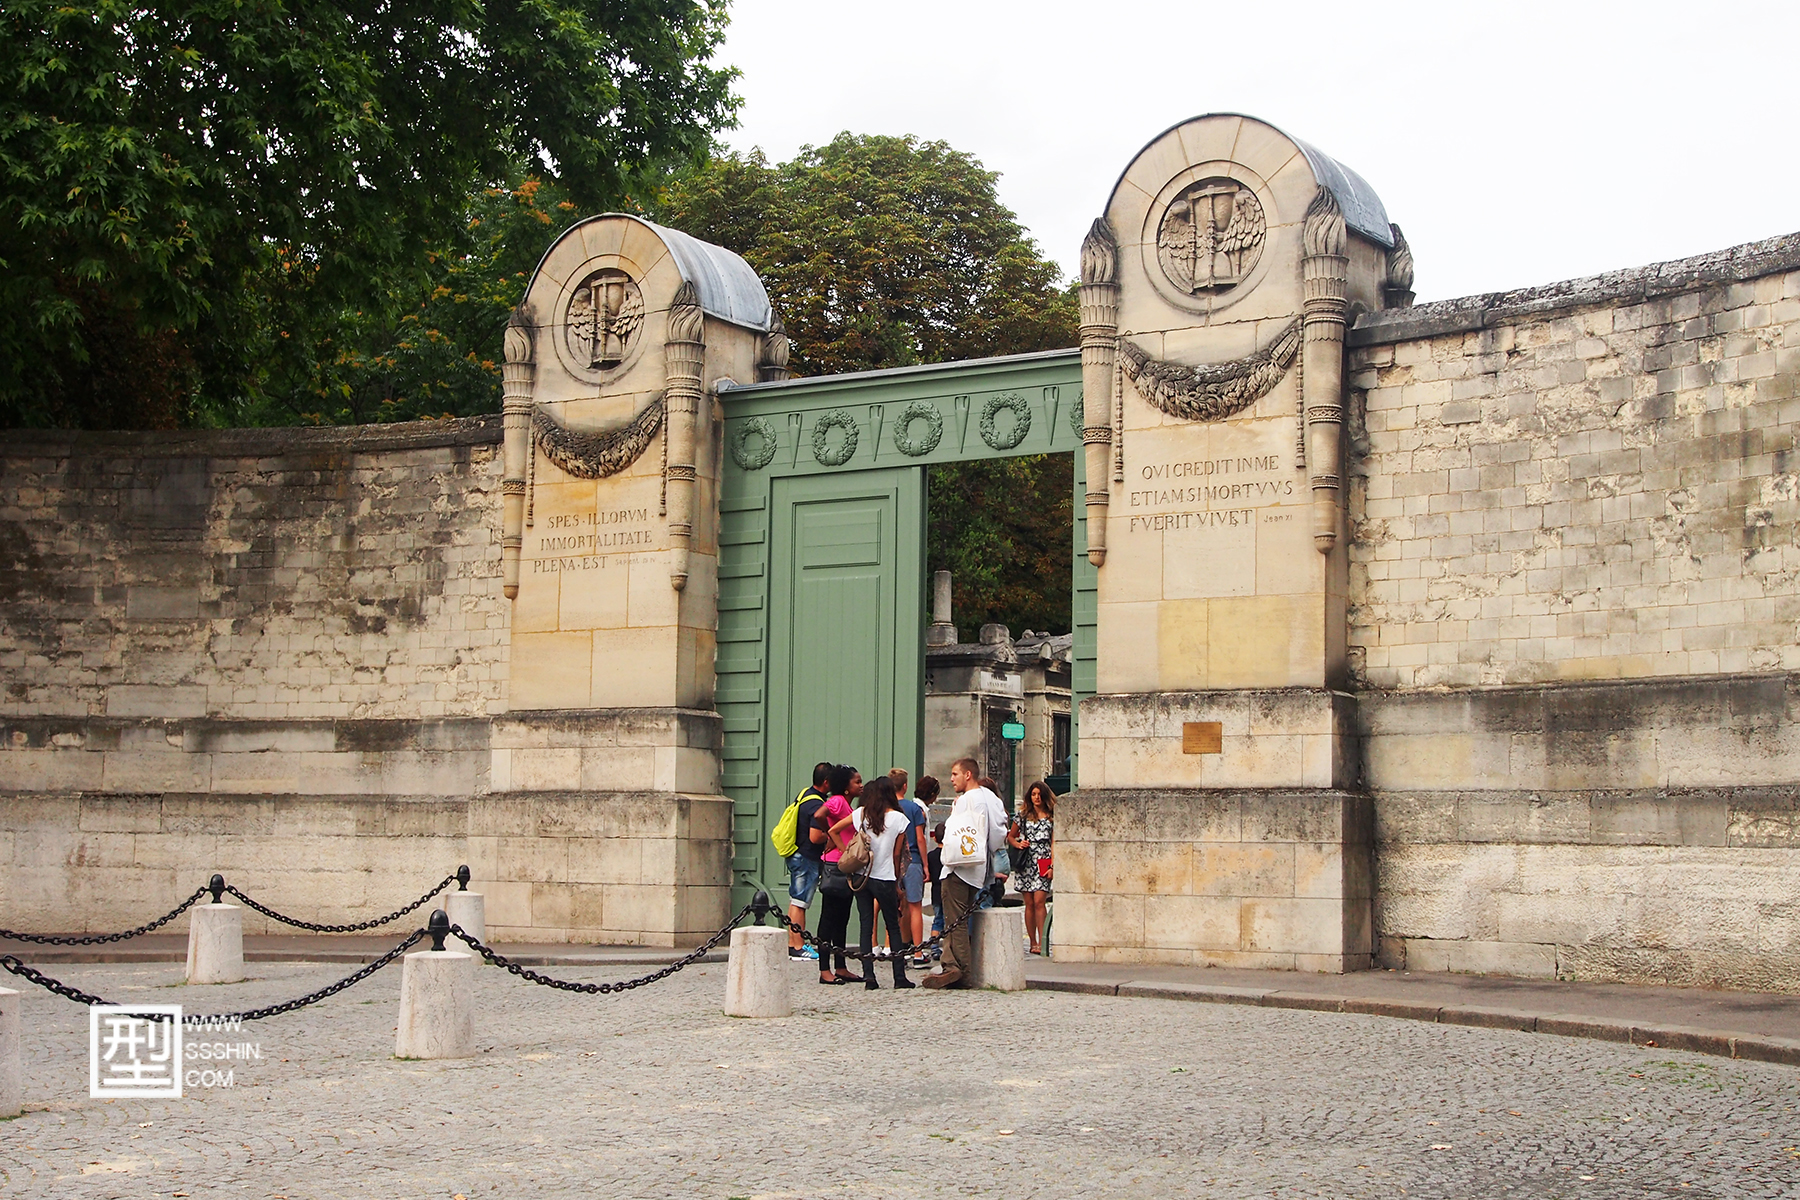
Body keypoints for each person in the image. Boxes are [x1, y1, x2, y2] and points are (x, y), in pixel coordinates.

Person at [923, 757, 1007, 990]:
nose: (951, 779)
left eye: (955, 774)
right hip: (980, 866)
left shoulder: (964, 801)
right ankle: (954, 965)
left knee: (955, 919)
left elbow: (952, 833)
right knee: (961, 917)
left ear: (968, 775)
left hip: (959, 867)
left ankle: (957, 969)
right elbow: (1000, 830)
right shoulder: (990, 798)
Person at [831, 775, 913, 989]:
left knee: (866, 925)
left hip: (861, 875)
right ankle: (899, 977)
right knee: (893, 926)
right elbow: (897, 855)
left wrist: (845, 851)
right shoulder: (899, 819)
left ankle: (869, 976)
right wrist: (897, 882)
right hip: (884, 876)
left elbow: (833, 830)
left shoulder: (861, 814)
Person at [813, 764, 863, 985]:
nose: (860, 785)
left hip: (845, 866)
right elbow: (819, 814)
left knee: (842, 918)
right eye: (857, 782)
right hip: (834, 864)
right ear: (845, 787)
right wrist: (831, 838)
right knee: (829, 918)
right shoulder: (837, 801)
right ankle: (825, 970)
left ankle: (841, 966)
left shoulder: (848, 805)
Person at [785, 762, 831, 961]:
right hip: (806, 857)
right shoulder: (816, 804)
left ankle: (793, 943)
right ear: (826, 782)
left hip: (798, 855)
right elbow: (815, 836)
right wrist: (831, 836)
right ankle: (797, 946)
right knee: (800, 902)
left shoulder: (805, 794)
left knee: (796, 900)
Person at [1008, 779, 1056, 955]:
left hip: (1043, 860)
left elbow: (1054, 842)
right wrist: (1019, 844)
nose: (1036, 798)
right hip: (1026, 860)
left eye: (1039, 794)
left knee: (1039, 901)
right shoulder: (1022, 815)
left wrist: (1052, 865)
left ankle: (1043, 941)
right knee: (1028, 902)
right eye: (1033, 794)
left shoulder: (1052, 816)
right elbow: (1011, 836)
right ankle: (1033, 941)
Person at [891, 768, 930, 966]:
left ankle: (897, 949)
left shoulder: (886, 808)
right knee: (915, 907)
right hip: (913, 859)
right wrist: (925, 864)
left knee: (896, 908)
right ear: (905, 786)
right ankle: (917, 952)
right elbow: (921, 838)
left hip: (891, 862)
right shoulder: (914, 809)